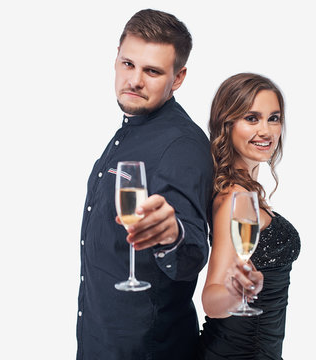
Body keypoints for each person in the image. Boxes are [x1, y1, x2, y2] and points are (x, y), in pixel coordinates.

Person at [75, 9, 261, 360]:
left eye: (153, 71)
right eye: (128, 64)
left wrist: (172, 233)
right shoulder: (133, 128)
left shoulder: (182, 146)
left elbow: (191, 252)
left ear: (178, 78)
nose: (135, 80)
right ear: (116, 57)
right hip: (101, 344)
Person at [197, 73, 301, 359]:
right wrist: (235, 293)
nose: (266, 130)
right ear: (227, 125)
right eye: (252, 118)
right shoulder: (234, 197)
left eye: (274, 118)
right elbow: (211, 299)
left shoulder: (248, 193)